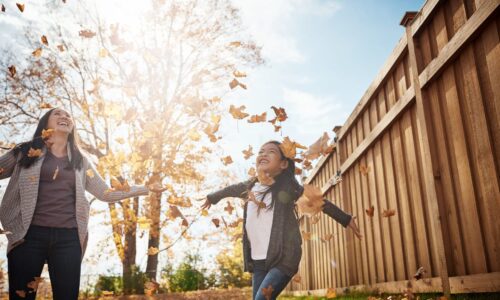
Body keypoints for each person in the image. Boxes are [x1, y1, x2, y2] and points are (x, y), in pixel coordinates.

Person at [0, 107, 157, 299]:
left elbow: (104, 193)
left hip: (68, 239)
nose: (64, 116)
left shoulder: (80, 161)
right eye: (57, 114)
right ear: (45, 123)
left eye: (68, 115)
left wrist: (146, 188)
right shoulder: (25, 151)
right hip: (28, 237)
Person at [202, 140, 362, 300]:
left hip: (284, 257)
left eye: (271, 151)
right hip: (258, 262)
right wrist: (212, 197)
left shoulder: (287, 187)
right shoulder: (250, 186)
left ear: (283, 164)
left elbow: (318, 202)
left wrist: (346, 219)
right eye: (260, 151)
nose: (263, 154)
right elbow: (229, 189)